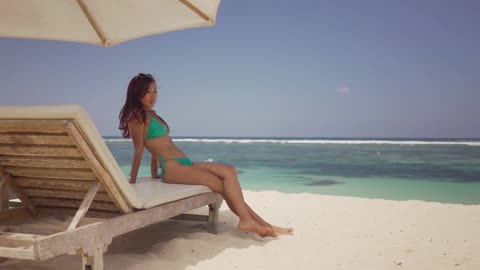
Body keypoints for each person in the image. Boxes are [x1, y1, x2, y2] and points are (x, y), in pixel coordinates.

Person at [119, 73, 293, 237]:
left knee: (229, 171)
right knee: (223, 187)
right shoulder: (136, 117)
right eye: (147, 92)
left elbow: (156, 147)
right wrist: (132, 181)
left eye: (155, 91)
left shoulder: (152, 115)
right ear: (137, 94)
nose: (153, 96)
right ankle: (255, 223)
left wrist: (154, 175)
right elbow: (139, 149)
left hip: (183, 162)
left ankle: (261, 224)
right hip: (172, 167)